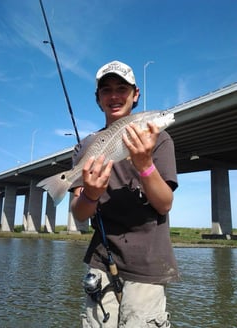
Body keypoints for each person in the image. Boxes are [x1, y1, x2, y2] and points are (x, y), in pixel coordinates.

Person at [70, 60, 179, 328]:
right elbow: (79, 213)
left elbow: (164, 204)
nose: (115, 96)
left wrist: (144, 164)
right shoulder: (84, 147)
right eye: (106, 90)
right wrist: (91, 195)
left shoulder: (160, 140)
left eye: (122, 88)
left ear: (136, 94)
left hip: (148, 265)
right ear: (98, 98)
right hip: (101, 259)